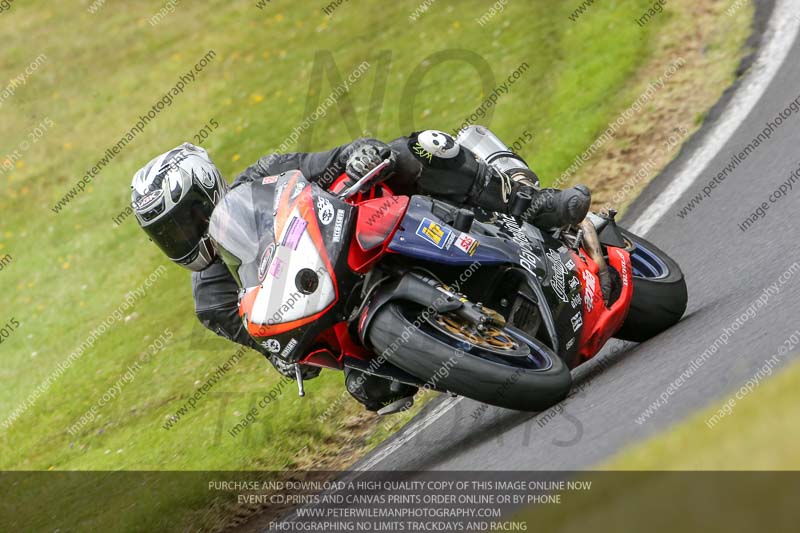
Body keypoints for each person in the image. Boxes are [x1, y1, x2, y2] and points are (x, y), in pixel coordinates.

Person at [130, 130, 591, 413]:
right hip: (333, 317)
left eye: (186, 219)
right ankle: (461, 345)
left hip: (358, 237)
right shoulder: (211, 300)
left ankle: (536, 204)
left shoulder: (262, 176)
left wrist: (358, 156)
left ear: (208, 191)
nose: (183, 236)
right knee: (372, 387)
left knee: (420, 147)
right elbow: (273, 346)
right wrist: (282, 355)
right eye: (166, 234)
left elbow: (328, 162)